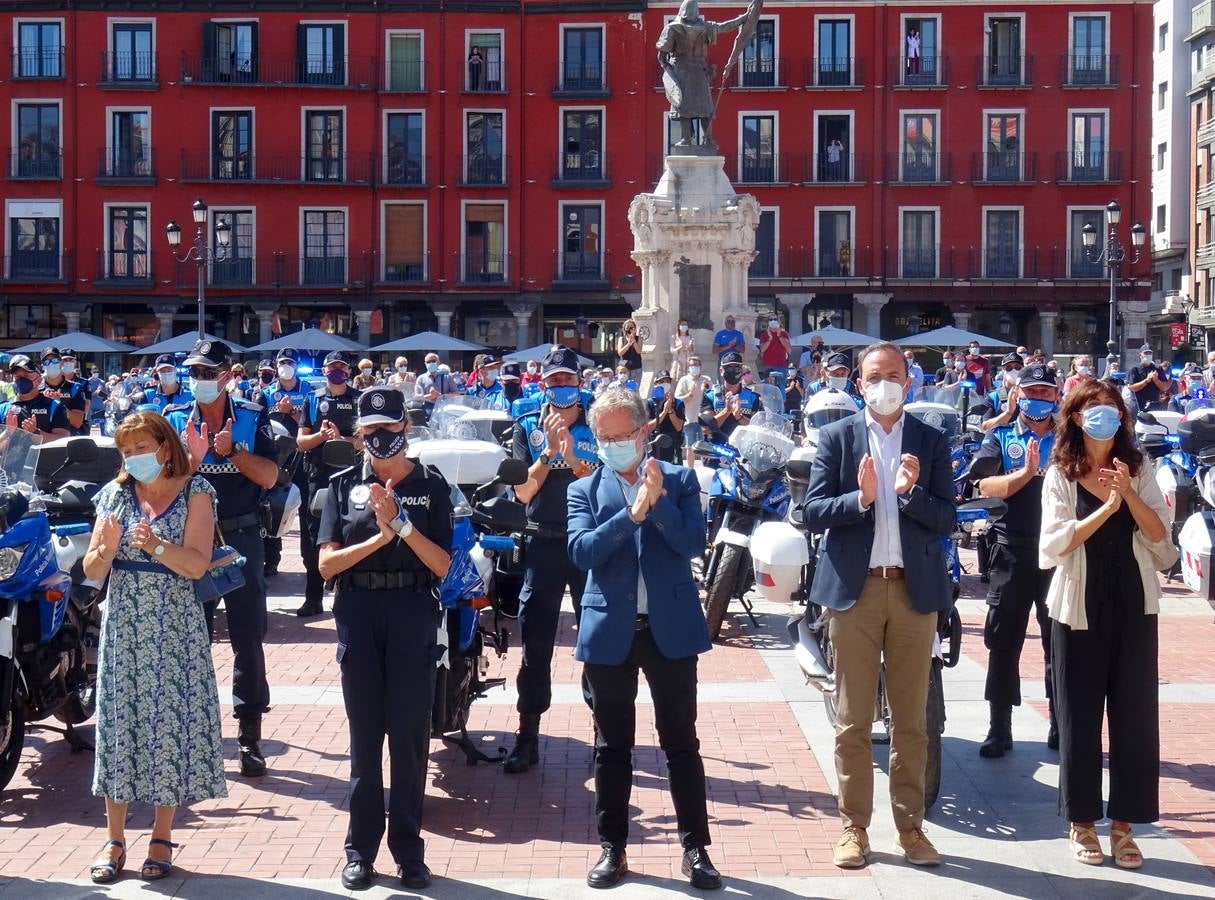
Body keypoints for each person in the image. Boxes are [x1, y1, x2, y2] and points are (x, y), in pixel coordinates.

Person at [801, 341, 956, 869]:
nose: (884, 383)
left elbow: (948, 517)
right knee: (852, 720)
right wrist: (862, 498)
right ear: (858, 384)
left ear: (908, 382)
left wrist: (911, 493)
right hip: (855, 591)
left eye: (893, 374)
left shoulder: (931, 441)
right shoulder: (836, 438)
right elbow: (813, 510)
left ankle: (911, 828)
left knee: (912, 720)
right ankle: (854, 827)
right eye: (874, 375)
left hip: (914, 593)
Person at [567, 388, 718, 890]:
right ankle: (613, 847)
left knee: (681, 743)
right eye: (603, 437)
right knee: (612, 746)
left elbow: (695, 544)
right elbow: (583, 552)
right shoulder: (584, 489)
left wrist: (656, 507)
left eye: (622, 435)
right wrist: (629, 514)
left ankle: (696, 849)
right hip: (611, 631)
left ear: (643, 431)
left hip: (669, 631)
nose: (613, 445)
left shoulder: (677, 480)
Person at [318, 388, 453, 891]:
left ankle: (409, 852)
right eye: (369, 431)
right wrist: (377, 538)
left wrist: (401, 526)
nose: (379, 440)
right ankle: (360, 851)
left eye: (388, 430)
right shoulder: (339, 487)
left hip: (413, 610)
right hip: (358, 609)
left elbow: (444, 565)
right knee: (365, 738)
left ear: (406, 429)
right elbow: (325, 564)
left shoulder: (432, 486)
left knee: (411, 740)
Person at [83, 412, 225, 884]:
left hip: (174, 627)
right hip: (124, 625)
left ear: (165, 447)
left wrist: (157, 546)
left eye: (141, 447)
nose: (133, 458)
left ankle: (162, 834)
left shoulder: (196, 492)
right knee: (121, 723)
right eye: (126, 451)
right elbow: (92, 571)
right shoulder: (113, 495)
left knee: (168, 726)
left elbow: (198, 566)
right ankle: (115, 837)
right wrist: (106, 548)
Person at [1039, 380, 1172, 870]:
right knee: (1079, 717)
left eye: (1111, 408)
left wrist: (1128, 498)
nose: (1104, 416)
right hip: (1078, 605)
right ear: (1075, 417)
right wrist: (1106, 510)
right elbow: (1053, 544)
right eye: (1093, 408)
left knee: (1136, 718)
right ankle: (1082, 822)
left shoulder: (1138, 469)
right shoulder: (1061, 473)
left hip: (1134, 602)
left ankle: (1124, 825)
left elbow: (1163, 541)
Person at [164, 339, 278, 778]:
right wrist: (191, 461)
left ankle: (249, 737)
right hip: (193, 540)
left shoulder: (252, 416)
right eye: (194, 373)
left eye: (208, 373)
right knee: (190, 637)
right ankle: (193, 733)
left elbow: (269, 476)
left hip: (243, 537)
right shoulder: (174, 420)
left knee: (248, 636)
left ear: (227, 375)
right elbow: (162, 486)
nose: (199, 381)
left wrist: (232, 452)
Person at [505, 346, 600, 774]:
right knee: (536, 645)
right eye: (554, 381)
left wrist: (572, 453)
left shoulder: (601, 421)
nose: (561, 387)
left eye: (567, 380)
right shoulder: (527, 425)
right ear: (543, 384)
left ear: (580, 383)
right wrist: (548, 454)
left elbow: (609, 480)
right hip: (542, 544)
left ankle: (605, 736)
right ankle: (528, 737)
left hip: (589, 544)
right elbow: (523, 492)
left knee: (599, 643)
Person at [965, 363, 1061, 758]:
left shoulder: (1070, 440)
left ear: (1056, 397)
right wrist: (1026, 472)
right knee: (1003, 641)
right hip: (1011, 551)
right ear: (1017, 395)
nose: (1038, 399)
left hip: (1059, 553)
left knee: (1061, 643)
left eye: (1045, 393)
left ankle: (1061, 723)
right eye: (1031, 392)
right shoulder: (1001, 437)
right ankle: (999, 727)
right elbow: (984, 484)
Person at [295, 350, 361, 617]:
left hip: (351, 475)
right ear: (324, 371)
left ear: (348, 371)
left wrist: (341, 440)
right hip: (316, 476)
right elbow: (301, 442)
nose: (337, 371)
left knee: (351, 532)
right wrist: (322, 436)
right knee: (313, 538)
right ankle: (313, 598)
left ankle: (348, 595)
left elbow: (365, 442)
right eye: (332, 367)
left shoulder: (359, 399)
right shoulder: (313, 399)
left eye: (341, 367)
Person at [260, 349, 313, 579]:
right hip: (277, 458)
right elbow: (261, 425)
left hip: (302, 458)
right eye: (282, 362)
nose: (286, 366)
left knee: (307, 511)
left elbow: (313, 422)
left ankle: (310, 561)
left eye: (290, 362)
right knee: (272, 507)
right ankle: (272, 560)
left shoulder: (309, 390)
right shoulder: (266, 393)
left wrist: (291, 412)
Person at [0, 354, 70, 441]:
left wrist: (36, 433)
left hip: (44, 455)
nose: (21, 380)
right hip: (13, 455)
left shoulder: (54, 406)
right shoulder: (4, 408)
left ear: (39, 380)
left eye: (26, 376)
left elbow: (63, 438)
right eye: (17, 376)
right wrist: (7, 433)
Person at [700, 351, 761, 443]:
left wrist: (739, 416)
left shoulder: (753, 397)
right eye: (729, 368)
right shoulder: (710, 396)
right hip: (716, 450)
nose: (733, 371)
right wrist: (726, 411)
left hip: (743, 451)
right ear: (721, 371)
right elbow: (706, 428)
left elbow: (757, 429)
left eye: (736, 368)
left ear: (741, 371)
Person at [675, 356, 711, 466]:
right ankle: (690, 471)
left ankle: (706, 468)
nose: (694, 367)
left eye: (696, 365)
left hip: (703, 420)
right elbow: (677, 398)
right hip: (689, 419)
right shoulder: (684, 380)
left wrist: (706, 390)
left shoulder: (706, 379)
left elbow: (712, 395)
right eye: (692, 365)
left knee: (704, 448)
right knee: (690, 447)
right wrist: (689, 395)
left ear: (700, 366)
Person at [979, 353, 1026, 433]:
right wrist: (1008, 413)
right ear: (1003, 371)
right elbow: (985, 426)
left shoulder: (1029, 395)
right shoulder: (993, 396)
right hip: (1000, 441)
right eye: (1009, 368)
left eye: (1017, 367)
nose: (1013, 370)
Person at [49, 348, 92, 436]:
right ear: (60, 362)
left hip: (77, 427)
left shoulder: (83, 383)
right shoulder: (52, 381)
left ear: (75, 361)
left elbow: (86, 406)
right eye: (65, 360)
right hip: (55, 425)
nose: (68, 362)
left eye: (71, 359)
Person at [647, 370, 685, 464]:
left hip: (673, 446)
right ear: (656, 384)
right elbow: (648, 427)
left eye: (667, 381)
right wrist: (664, 412)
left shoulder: (678, 403)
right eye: (662, 381)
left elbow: (678, 427)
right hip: (655, 447)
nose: (665, 384)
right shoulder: (651, 403)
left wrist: (670, 410)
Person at [1127, 347, 1171, 412]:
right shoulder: (1134, 370)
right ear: (1140, 355)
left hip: (1155, 405)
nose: (1148, 355)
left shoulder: (1158, 369)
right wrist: (1147, 380)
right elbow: (1132, 388)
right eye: (1146, 353)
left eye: (1150, 353)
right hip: (1139, 406)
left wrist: (1156, 379)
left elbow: (1164, 388)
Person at [759, 314, 792, 388]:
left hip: (781, 366)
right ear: (768, 322)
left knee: (781, 389)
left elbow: (789, 350)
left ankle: (782, 399)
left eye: (775, 319)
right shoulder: (764, 335)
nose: (773, 321)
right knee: (768, 389)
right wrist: (769, 339)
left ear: (779, 322)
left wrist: (780, 336)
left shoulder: (784, 334)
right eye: (771, 320)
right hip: (768, 366)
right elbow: (762, 349)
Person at [670, 318, 695, 384]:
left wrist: (690, 346)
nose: (684, 326)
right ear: (678, 326)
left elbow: (692, 352)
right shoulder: (674, 337)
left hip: (687, 362)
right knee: (678, 383)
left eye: (686, 324)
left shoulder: (690, 337)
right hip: (678, 363)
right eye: (682, 324)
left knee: (688, 382)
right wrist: (680, 347)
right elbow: (672, 350)